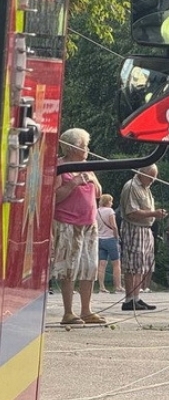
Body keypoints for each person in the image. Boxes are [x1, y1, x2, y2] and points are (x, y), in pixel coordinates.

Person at [52, 128, 104, 325]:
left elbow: (99, 192)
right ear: (72, 148)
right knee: (69, 267)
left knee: (89, 267)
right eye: (83, 145)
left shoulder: (86, 166)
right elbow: (54, 197)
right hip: (67, 223)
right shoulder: (60, 166)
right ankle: (68, 312)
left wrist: (91, 180)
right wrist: (72, 184)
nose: (87, 149)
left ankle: (86, 310)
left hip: (89, 223)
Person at [119, 164, 169, 311]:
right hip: (134, 228)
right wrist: (153, 214)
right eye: (151, 176)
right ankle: (129, 300)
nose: (153, 180)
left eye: (155, 176)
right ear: (142, 173)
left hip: (145, 229)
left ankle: (136, 298)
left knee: (142, 265)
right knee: (133, 265)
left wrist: (155, 215)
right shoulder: (131, 186)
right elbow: (131, 212)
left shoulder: (146, 188)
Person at [95, 193, 124, 294]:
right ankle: (118, 286)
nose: (112, 203)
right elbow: (114, 226)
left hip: (99, 239)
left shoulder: (96, 211)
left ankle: (101, 287)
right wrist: (117, 236)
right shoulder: (110, 211)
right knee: (116, 263)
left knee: (102, 264)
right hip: (110, 238)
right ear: (108, 202)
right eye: (111, 201)